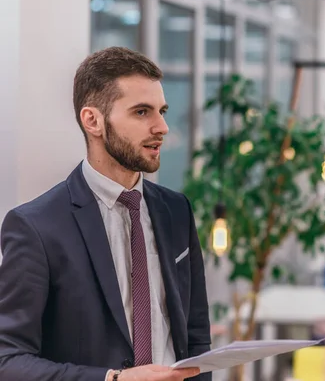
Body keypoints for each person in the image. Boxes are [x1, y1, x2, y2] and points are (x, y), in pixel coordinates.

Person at [0, 47, 211, 381]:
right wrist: (113, 379)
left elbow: (196, 334)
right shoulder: (36, 227)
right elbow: (8, 360)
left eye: (162, 111)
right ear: (93, 120)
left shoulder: (177, 210)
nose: (162, 127)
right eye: (142, 112)